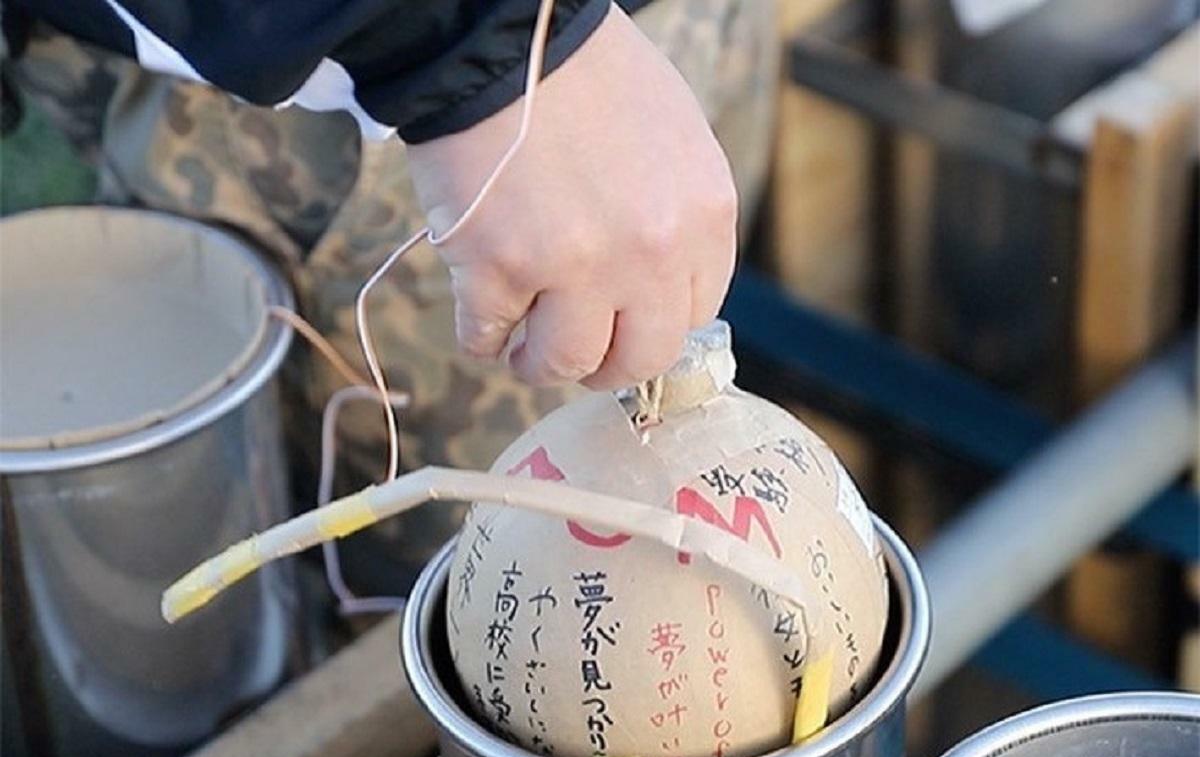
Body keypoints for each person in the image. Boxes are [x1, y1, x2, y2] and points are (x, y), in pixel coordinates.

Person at [3, 0, 779, 580]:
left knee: (601, 565)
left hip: (568, 75)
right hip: (363, 93)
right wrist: (485, 42)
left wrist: (496, 44)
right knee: (493, 592)